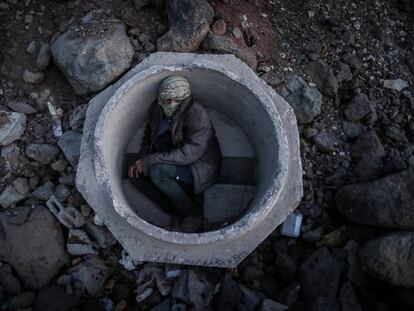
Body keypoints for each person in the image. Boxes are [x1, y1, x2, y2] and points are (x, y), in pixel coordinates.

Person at [128, 75, 221, 230]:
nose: (170, 104)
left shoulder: (196, 114)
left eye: (176, 100)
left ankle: (192, 213)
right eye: (166, 100)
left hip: (198, 165)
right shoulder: (157, 110)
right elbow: (147, 137)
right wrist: (142, 160)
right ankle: (178, 209)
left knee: (158, 172)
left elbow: (189, 154)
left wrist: (150, 161)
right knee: (136, 175)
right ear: (160, 98)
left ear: (185, 98)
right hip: (170, 156)